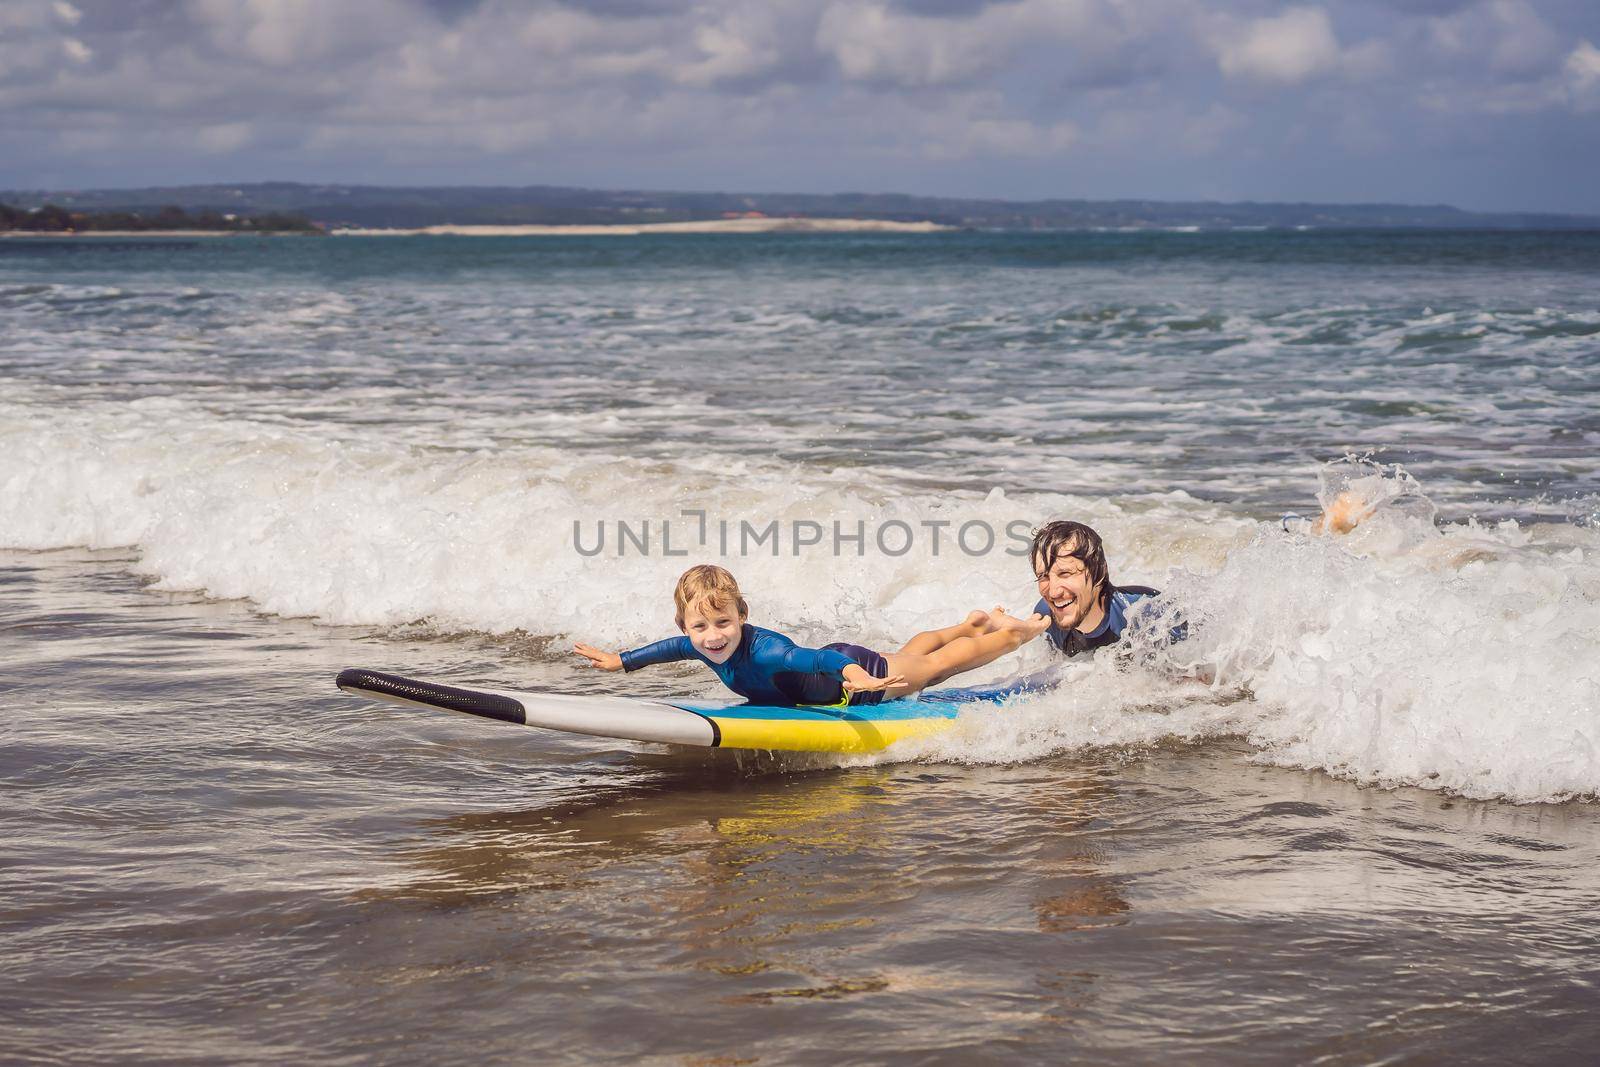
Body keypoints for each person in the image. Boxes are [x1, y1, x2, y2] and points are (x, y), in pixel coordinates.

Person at [574, 564, 1047, 707]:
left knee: (940, 668)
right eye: (700, 627)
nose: (713, 637)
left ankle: (1015, 632)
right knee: (912, 653)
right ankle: (968, 624)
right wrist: (623, 661)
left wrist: (858, 676)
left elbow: (815, 660)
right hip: (852, 667)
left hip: (857, 677)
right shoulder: (698, 644)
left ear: (743, 616)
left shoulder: (770, 651)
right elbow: (666, 650)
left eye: (723, 623)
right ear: (686, 627)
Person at [1030, 520, 1165, 658]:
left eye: (1065, 573)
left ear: (1099, 572)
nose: (1053, 592)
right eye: (1043, 576)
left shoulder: (1147, 613)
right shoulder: (1045, 615)